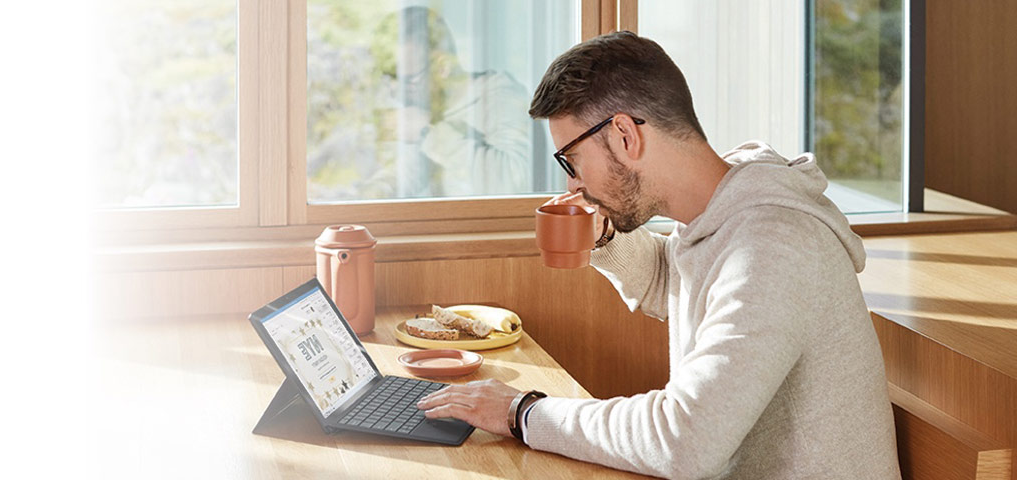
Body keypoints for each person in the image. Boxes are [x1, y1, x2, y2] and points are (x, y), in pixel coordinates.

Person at [414, 31, 900, 479]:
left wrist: (522, 412)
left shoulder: (775, 244)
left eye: (572, 159)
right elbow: (681, 282)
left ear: (625, 135)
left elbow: (685, 440)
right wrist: (604, 235)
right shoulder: (724, 209)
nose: (572, 183)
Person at [370, 6, 533, 198]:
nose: (396, 94)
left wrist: (426, 132)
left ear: (443, 67)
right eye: (389, 80)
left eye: (408, 80)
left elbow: (514, 185)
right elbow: (409, 172)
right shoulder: (431, 103)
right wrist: (370, 194)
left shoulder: (500, 98)